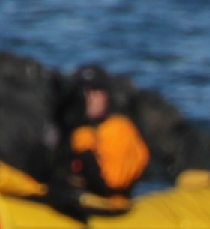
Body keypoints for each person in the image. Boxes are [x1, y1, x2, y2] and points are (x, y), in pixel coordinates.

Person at [45, 63, 150, 220]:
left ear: (106, 96)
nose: (88, 99)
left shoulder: (119, 129)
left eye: (94, 91)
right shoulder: (71, 128)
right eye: (83, 92)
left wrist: (85, 150)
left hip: (111, 207)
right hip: (77, 199)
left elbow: (108, 185)